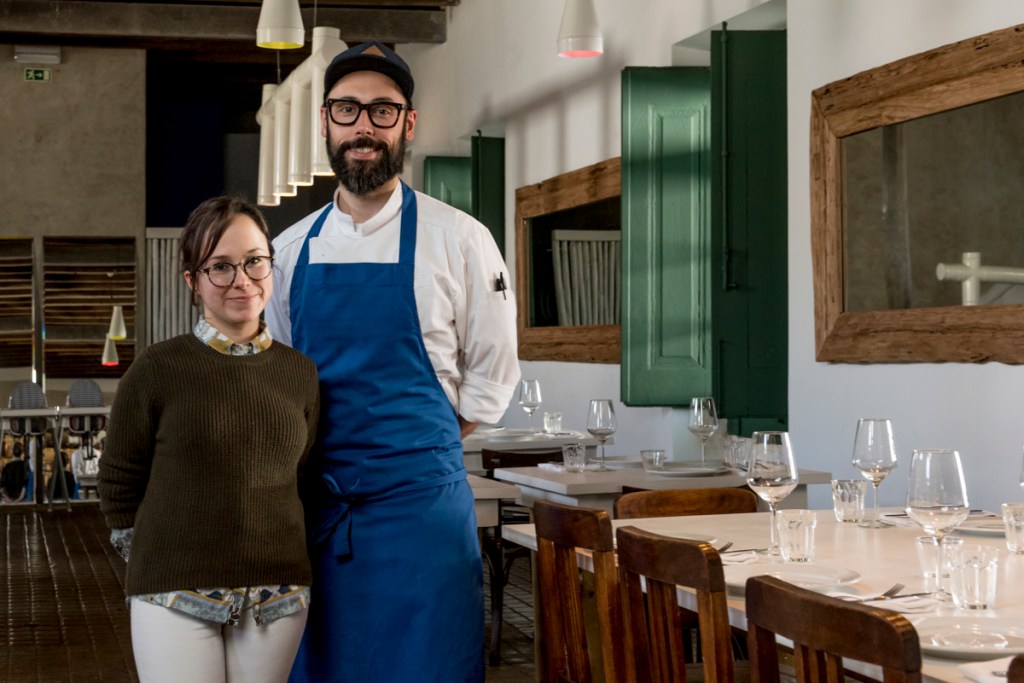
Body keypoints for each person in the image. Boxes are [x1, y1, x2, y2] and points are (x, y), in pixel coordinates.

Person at [264, 41, 520, 683]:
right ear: (325, 122)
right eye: (348, 110)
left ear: (409, 123)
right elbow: (273, 382)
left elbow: (492, 377)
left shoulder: (461, 241)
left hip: (422, 517)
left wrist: (411, 454)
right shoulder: (288, 252)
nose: (363, 127)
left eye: (383, 111)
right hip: (320, 516)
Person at [99, 196, 320, 683]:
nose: (242, 280)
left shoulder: (299, 373)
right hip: (174, 591)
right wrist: (158, 555)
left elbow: (300, 474)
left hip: (277, 592)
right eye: (220, 266)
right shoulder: (157, 368)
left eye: (255, 262)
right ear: (193, 282)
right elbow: (118, 478)